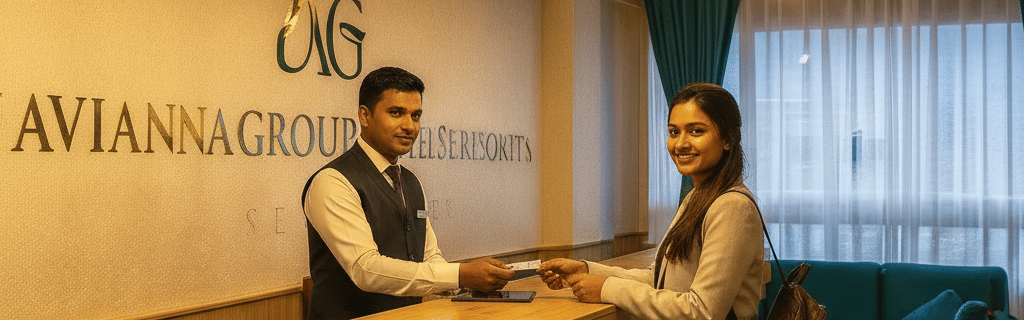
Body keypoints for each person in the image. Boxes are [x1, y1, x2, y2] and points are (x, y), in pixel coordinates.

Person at [537, 82, 765, 320]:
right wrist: (587, 270)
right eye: (674, 132)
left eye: (696, 131)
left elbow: (702, 311)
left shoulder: (732, 207)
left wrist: (606, 289)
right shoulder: (697, 198)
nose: (681, 143)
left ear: (727, 139)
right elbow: (659, 279)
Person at [302, 66, 515, 319]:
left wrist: (469, 284)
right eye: (396, 113)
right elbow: (366, 270)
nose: (409, 126)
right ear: (364, 116)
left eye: (416, 116)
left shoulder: (411, 181)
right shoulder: (333, 180)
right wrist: (461, 274)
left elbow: (429, 256)